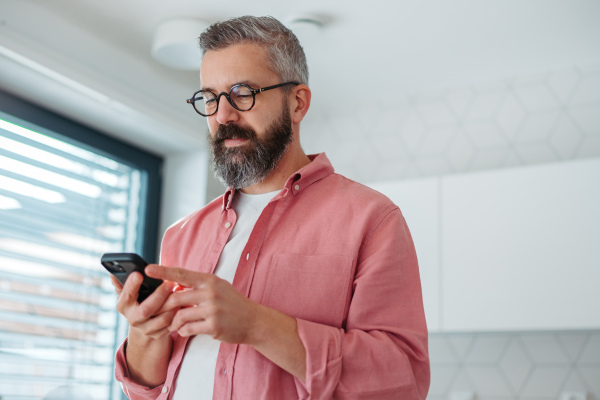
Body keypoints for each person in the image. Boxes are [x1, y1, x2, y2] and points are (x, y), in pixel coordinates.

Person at [112, 15, 430, 400]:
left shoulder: (373, 220)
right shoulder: (181, 235)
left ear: (297, 103)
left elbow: (403, 381)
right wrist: (147, 330)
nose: (222, 115)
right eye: (209, 98)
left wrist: (257, 325)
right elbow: (147, 389)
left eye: (242, 93)